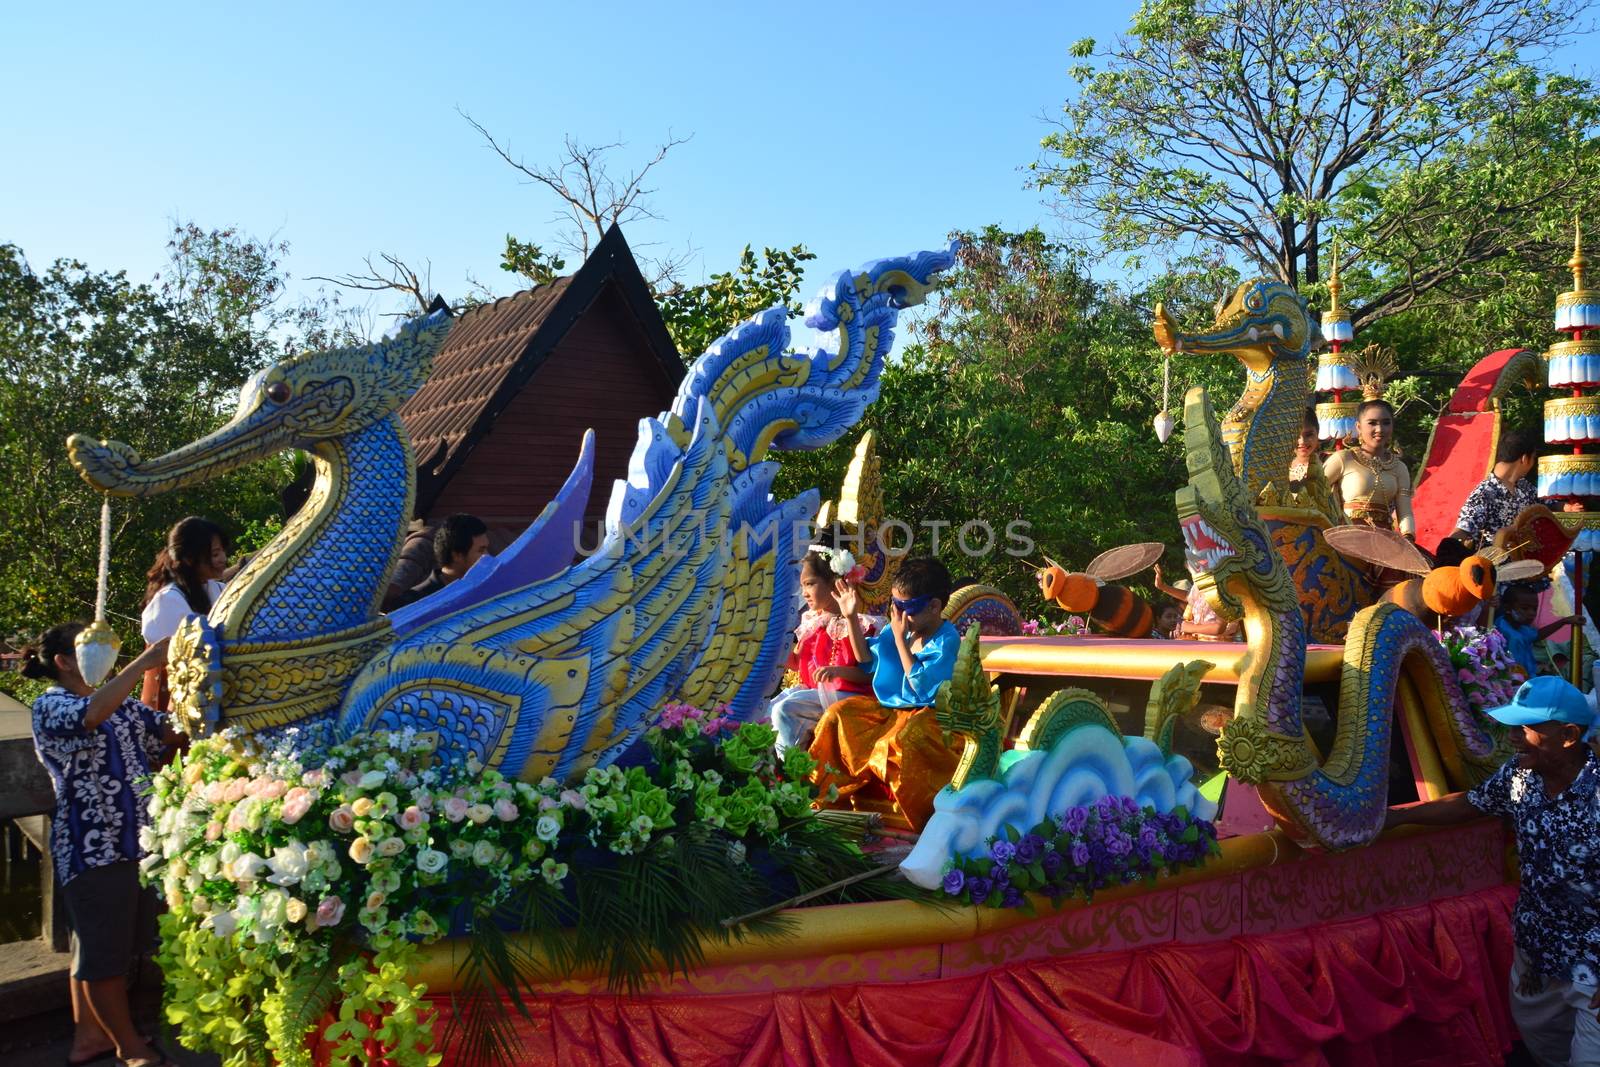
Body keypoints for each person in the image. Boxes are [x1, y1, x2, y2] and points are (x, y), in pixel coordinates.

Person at [1385, 676, 1600, 1065]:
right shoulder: (1520, 777)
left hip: (1594, 964)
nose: (1514, 737)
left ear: (1569, 735)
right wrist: (1397, 819)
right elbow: (1472, 803)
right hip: (1537, 950)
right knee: (1542, 1045)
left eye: (1526, 728)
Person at [25, 624, 176, 1067]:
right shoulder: (50, 703)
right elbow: (90, 715)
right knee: (103, 956)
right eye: (90, 647)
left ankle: (89, 1038)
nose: (106, 653)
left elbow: (169, 731)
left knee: (102, 948)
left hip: (133, 843)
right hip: (93, 846)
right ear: (64, 662)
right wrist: (143, 664)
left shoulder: (125, 705)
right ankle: (131, 1050)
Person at [809, 557, 962, 830]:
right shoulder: (900, 627)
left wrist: (903, 642)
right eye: (896, 606)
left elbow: (923, 686)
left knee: (901, 739)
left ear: (935, 606)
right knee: (837, 715)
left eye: (907, 608)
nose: (899, 615)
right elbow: (865, 657)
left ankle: (911, 824)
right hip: (891, 711)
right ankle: (824, 802)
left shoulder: (946, 638)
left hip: (930, 717)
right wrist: (851, 617)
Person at [769, 548, 881, 756]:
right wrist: (771, 645)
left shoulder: (863, 624)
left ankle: (789, 773)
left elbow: (868, 674)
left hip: (851, 698)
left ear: (833, 582)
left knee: (786, 710)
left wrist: (838, 671)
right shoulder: (812, 622)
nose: (804, 592)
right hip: (815, 694)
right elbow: (798, 662)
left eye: (810, 584)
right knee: (768, 710)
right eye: (802, 585)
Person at [140, 517, 229, 710]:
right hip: (177, 705)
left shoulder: (219, 589)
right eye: (214, 554)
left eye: (222, 551)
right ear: (189, 559)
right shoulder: (169, 600)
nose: (223, 559)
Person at [1324, 399, 1416, 537]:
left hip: (1383, 539)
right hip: (1346, 537)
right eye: (1372, 423)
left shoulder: (1399, 467)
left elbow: (1405, 512)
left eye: (1386, 423)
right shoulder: (1343, 459)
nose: (1379, 429)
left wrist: (1409, 537)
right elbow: (1315, 492)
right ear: (1359, 427)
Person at [1449, 429, 1545, 550]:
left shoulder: (1524, 486)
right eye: (1533, 457)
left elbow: (1548, 504)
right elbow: (1463, 529)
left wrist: (1568, 507)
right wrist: (1447, 550)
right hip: (1494, 566)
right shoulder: (1484, 493)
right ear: (1525, 459)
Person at [391, 514, 490, 609]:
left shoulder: (483, 592)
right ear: (457, 555)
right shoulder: (416, 603)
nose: (487, 556)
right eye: (481, 550)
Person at [1498, 583, 1582, 680]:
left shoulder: (1520, 627)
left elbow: (1537, 635)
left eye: (1534, 609)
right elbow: (1515, 671)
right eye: (1525, 608)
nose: (1532, 613)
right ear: (1507, 608)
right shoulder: (1507, 633)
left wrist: (1564, 621)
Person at [1153, 563, 1241, 642]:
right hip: (1200, 644)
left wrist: (1189, 627)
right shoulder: (1199, 585)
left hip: (1222, 647)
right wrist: (1162, 586)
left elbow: (1218, 627)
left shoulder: (1223, 588)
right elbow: (1189, 596)